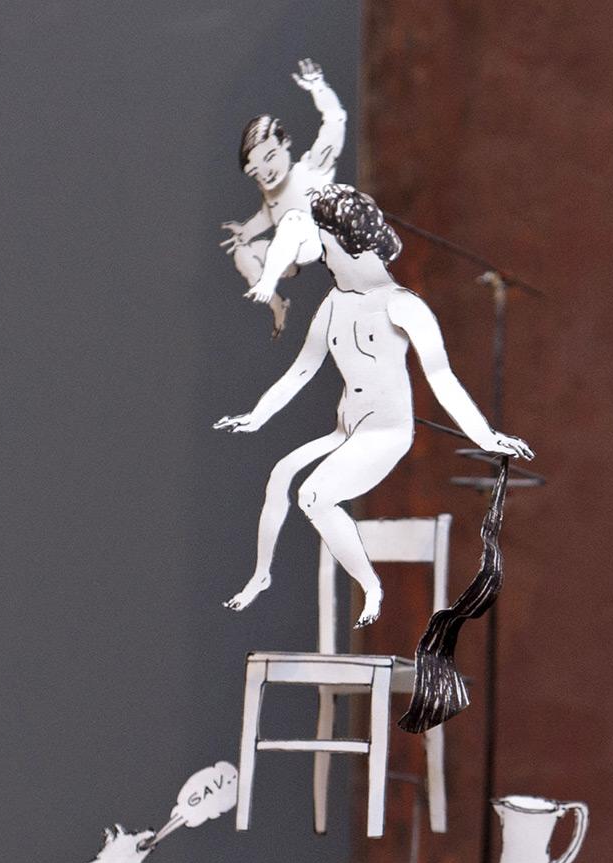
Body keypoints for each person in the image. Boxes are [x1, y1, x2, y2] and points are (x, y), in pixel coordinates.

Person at [214, 184, 533, 628]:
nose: (324, 261)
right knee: (281, 473)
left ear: (351, 246)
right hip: (345, 431)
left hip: (385, 434)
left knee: (313, 496)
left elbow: (442, 378)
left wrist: (487, 437)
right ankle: (261, 576)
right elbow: (301, 370)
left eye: (327, 249)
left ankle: (371, 586)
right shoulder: (333, 305)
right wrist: (256, 416)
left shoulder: (402, 306)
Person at [221, 59, 346, 337]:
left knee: (293, 221)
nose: (265, 173)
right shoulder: (272, 194)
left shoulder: (312, 167)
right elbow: (268, 214)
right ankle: (278, 304)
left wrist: (318, 87)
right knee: (243, 253)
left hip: (320, 240)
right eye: (255, 171)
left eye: (269, 157)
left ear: (285, 143)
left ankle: (267, 283)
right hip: (289, 256)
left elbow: (335, 120)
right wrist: (246, 231)